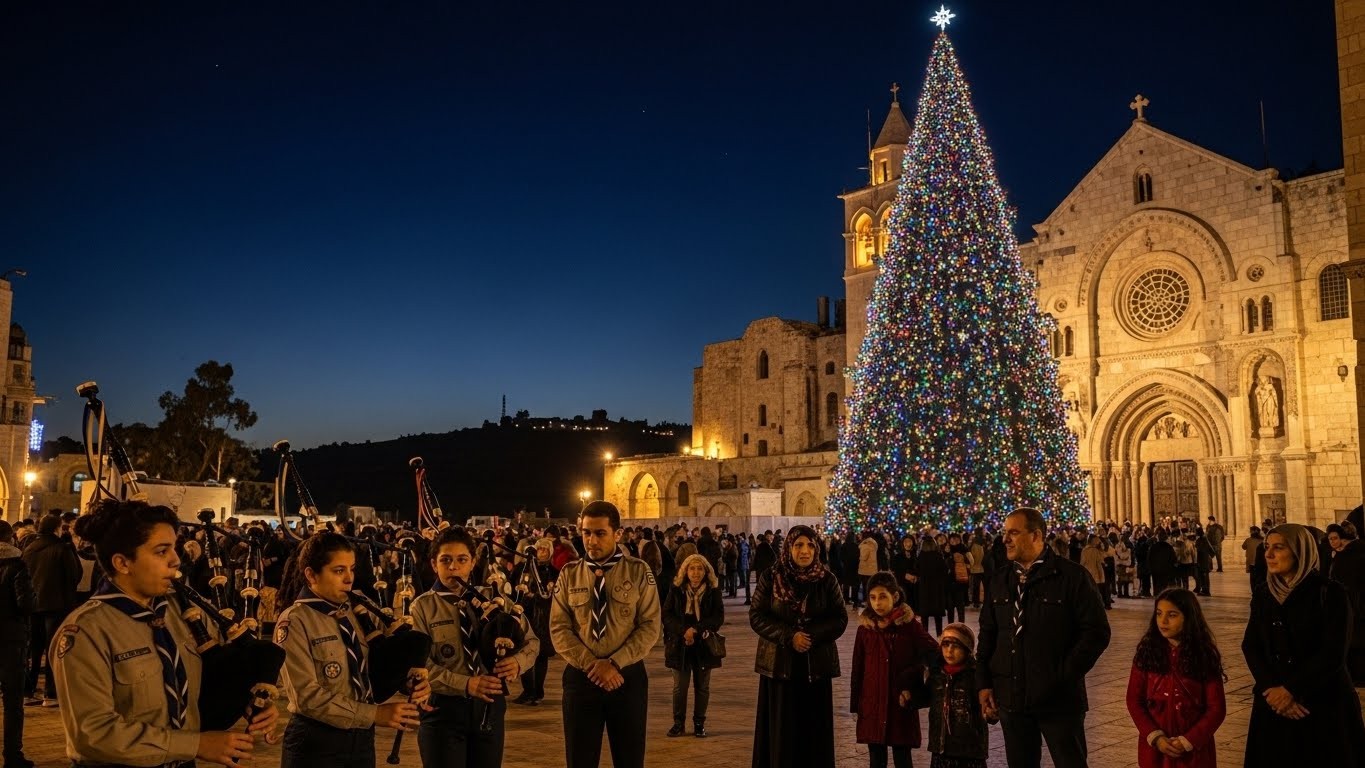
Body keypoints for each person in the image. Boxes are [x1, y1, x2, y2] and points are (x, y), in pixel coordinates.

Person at [52, 499, 278, 768]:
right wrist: (195, 744)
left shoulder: (184, 612)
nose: (175, 559)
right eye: (161, 551)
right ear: (123, 563)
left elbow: (215, 675)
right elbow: (92, 734)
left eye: (173, 547)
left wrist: (250, 700)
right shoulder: (87, 632)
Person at [275, 531, 426, 768]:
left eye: (352, 569)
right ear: (311, 575)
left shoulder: (360, 609)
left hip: (362, 739)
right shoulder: (295, 621)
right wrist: (375, 714)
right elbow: (307, 697)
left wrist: (409, 680)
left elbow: (381, 660)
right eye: (338, 571)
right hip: (316, 742)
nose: (349, 579)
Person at [977, 507, 1111, 768]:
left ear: (1036, 535)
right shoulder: (1000, 580)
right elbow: (988, 634)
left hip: (1058, 700)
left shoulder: (1071, 577)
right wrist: (984, 683)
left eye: (1013, 533)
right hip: (1012, 698)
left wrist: (1063, 674)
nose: (1005, 539)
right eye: (1005, 533)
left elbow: (1096, 632)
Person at [411, 526, 539, 767]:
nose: (453, 567)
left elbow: (531, 641)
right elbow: (419, 666)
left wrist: (517, 663)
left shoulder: (494, 599)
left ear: (472, 563)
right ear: (434, 564)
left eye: (462, 560)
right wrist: (466, 684)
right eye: (445, 560)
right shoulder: (421, 607)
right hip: (442, 709)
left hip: (489, 705)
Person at [549, 501, 661, 768]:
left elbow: (650, 626)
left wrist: (614, 664)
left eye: (600, 533)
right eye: (586, 532)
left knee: (629, 758)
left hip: (626, 677)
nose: (591, 541)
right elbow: (559, 627)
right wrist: (592, 665)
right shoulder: (570, 574)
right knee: (580, 758)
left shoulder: (637, 571)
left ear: (617, 534)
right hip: (582, 678)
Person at [1242, 524, 1365, 766]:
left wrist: (1290, 690)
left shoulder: (1330, 593)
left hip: (1320, 702)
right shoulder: (1264, 594)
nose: (1268, 554)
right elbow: (1251, 645)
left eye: (1279, 548)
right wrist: (1272, 690)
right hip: (1273, 705)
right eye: (1267, 547)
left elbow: (1334, 653)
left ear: (1300, 551)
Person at [751, 524, 848, 768]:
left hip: (815, 667)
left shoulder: (826, 580)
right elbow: (757, 616)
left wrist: (810, 636)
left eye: (810, 546)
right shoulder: (771, 577)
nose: (805, 551)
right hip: (780, 667)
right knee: (782, 729)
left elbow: (839, 618)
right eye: (798, 545)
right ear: (789, 548)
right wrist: (789, 636)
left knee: (814, 732)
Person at [1125, 589, 1226, 767]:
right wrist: (1155, 736)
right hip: (1155, 752)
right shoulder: (1147, 654)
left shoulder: (1203, 656)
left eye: (1172, 615)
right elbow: (1134, 700)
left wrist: (1189, 740)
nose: (1163, 621)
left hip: (1194, 754)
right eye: (1159, 614)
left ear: (1189, 617)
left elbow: (1216, 708)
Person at [850, 572, 937, 768]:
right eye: (872, 597)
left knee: (902, 757)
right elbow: (858, 668)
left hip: (900, 703)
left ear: (895, 596)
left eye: (882, 597)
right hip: (872, 704)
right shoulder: (865, 630)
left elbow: (933, 654)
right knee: (876, 758)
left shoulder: (910, 626)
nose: (877, 603)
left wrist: (913, 681)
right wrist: (856, 705)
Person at [661, 553, 724, 738]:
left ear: (706, 571)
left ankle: (699, 723)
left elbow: (718, 617)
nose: (696, 573)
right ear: (685, 571)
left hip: (703, 645)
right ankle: (678, 723)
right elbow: (667, 615)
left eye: (699, 568)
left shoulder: (713, 591)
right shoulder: (676, 589)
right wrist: (684, 631)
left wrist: (696, 630)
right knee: (680, 687)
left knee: (702, 687)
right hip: (679, 645)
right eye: (692, 568)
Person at [23, 513, 80, 707]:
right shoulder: (62, 548)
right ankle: (50, 693)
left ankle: (28, 691)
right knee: (53, 648)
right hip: (56, 605)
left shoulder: (29, 548)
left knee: (34, 649)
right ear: (56, 529)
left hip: (34, 605)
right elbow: (74, 575)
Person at [927, 622, 991, 768]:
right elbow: (925, 697)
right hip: (941, 748)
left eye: (956, 646)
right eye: (945, 645)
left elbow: (988, 708)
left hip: (969, 751)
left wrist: (991, 713)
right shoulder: (937, 675)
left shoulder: (976, 676)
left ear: (967, 649)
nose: (949, 650)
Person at [0, 520, 35, 768]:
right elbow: (26, 604)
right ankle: (13, 755)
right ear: (10, 537)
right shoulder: (17, 565)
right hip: (11, 639)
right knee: (13, 702)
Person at [511, 537, 557, 705]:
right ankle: (528, 690)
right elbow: (512, 585)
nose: (542, 552)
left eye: (545, 549)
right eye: (540, 549)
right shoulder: (524, 568)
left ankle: (538, 691)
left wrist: (541, 595)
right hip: (526, 614)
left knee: (541, 655)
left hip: (544, 618)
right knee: (525, 651)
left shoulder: (554, 572)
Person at [915, 536, 948, 636]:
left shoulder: (921, 557)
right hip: (937, 589)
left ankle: (926, 637)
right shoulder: (938, 556)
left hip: (925, 589)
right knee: (938, 617)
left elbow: (917, 570)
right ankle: (939, 636)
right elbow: (945, 570)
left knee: (924, 617)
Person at [1243, 526, 1265, 591]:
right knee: (1260, 577)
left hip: (1251, 562)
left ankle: (1254, 591)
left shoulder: (1248, 540)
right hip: (1260, 561)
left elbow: (1243, 547)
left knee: (1252, 578)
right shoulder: (1262, 540)